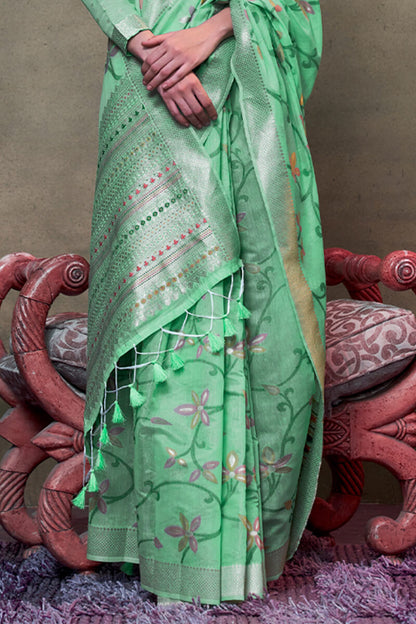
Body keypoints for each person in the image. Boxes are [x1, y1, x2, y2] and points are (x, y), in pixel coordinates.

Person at [76, 0, 326, 606]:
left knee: (262, 310)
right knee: (170, 309)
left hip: (243, 84)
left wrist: (212, 32)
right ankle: (171, 553)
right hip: (147, 90)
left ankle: (237, 553)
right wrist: (149, 47)